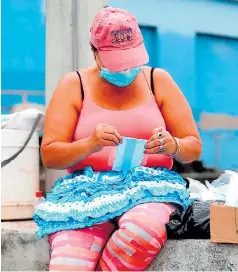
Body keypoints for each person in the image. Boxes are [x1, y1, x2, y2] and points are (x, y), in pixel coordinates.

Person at [34, 6, 202, 271]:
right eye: (116, 61)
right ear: (95, 53)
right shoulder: (73, 84)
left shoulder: (158, 80)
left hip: (150, 189)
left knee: (141, 233)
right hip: (86, 193)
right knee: (70, 262)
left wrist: (174, 145)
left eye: (131, 60)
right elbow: (50, 155)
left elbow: (193, 147)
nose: (125, 69)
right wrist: (90, 143)